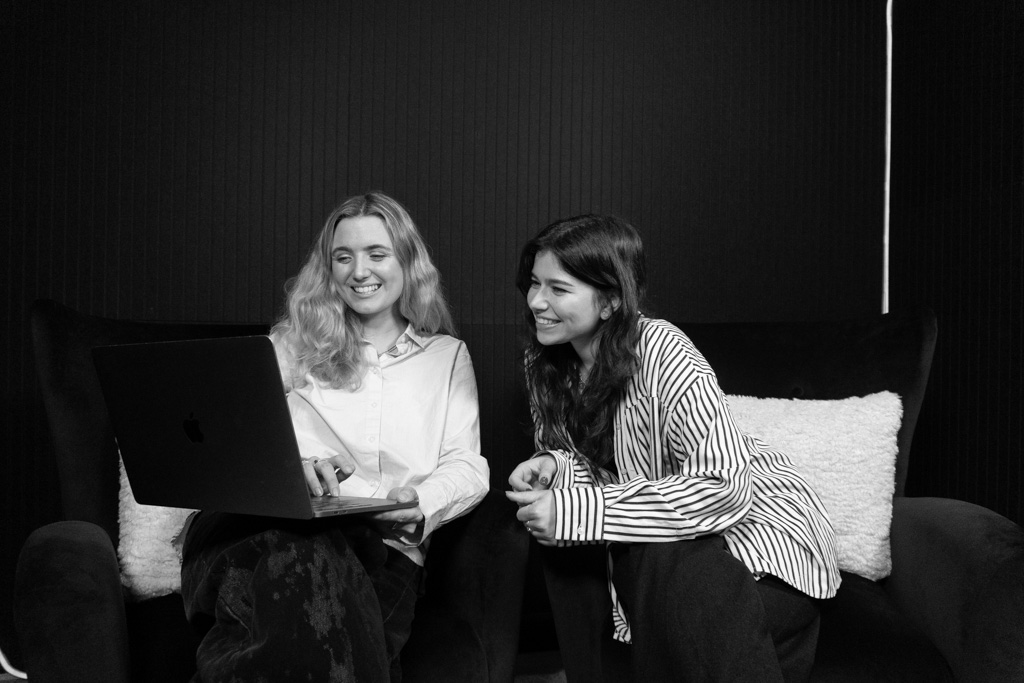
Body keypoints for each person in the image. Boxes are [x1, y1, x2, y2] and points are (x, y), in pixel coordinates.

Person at [506, 214, 840, 682]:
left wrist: (578, 512)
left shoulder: (662, 350)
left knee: (664, 554)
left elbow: (725, 487)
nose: (536, 301)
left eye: (558, 289)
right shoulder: (544, 362)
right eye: (534, 284)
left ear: (610, 302)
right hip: (662, 568)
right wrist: (553, 465)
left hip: (762, 551)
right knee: (646, 551)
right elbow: (607, 471)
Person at [181, 192, 489, 683]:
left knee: (299, 630)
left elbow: (467, 462)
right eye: (342, 257)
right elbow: (223, 439)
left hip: (383, 549)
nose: (358, 271)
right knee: (311, 571)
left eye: (377, 254)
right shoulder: (289, 344)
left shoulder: (446, 356)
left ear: (408, 261)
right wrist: (287, 468)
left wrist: (420, 502)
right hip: (262, 533)